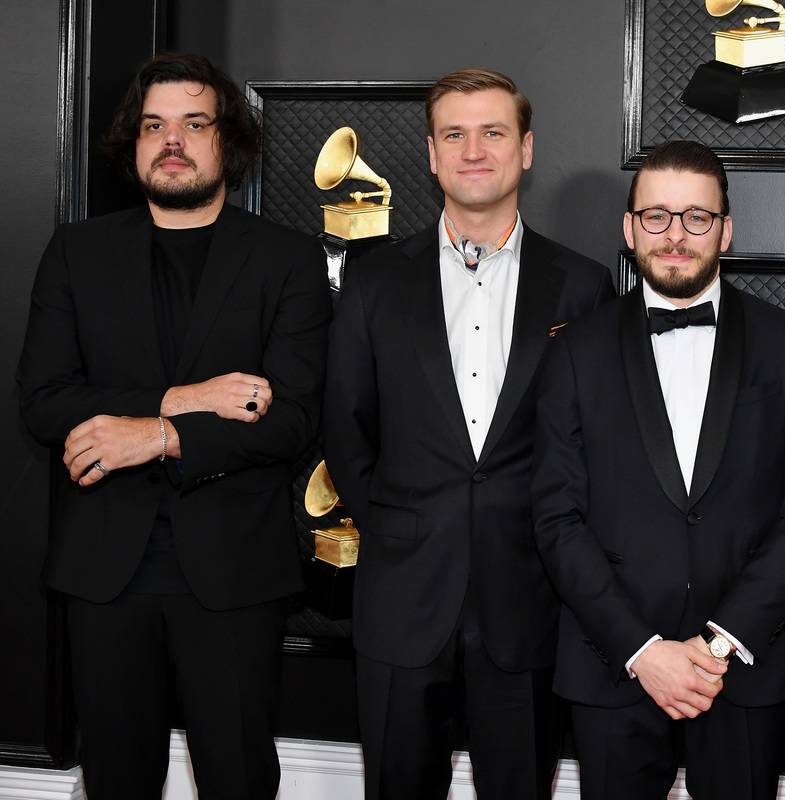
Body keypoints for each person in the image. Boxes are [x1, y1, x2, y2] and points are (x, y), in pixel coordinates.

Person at [16, 52, 330, 799]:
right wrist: (182, 401)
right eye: (154, 125)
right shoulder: (77, 251)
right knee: (117, 782)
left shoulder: (286, 259)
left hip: (235, 574)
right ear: (134, 142)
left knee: (238, 778)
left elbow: (291, 418)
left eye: (195, 123)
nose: (173, 141)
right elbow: (44, 398)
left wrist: (153, 437)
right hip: (103, 573)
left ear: (231, 141)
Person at [322, 68, 615, 800]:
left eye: (493, 132)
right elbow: (347, 428)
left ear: (527, 149)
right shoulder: (374, 282)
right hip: (402, 601)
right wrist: (398, 527)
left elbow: (600, 445)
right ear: (429, 153)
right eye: (455, 133)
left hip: (531, 602)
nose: (474, 150)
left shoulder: (582, 286)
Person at [532, 140, 785, 799]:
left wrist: (722, 643)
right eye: (657, 216)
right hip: (612, 665)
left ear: (726, 230)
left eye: (697, 217)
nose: (675, 235)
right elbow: (557, 516)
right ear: (629, 228)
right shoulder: (575, 351)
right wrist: (644, 650)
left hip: (747, 666)